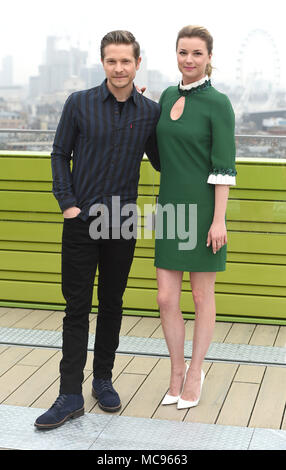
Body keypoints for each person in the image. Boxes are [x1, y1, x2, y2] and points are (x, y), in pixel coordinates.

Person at [34, 30, 160, 429]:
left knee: (111, 305)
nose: (119, 68)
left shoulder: (150, 112)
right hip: (82, 220)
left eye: (126, 61)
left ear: (137, 63)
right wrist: (67, 205)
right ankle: (69, 393)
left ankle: (102, 380)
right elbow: (59, 153)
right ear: (102, 63)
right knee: (76, 309)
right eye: (112, 61)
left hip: (121, 221)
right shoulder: (79, 103)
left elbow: (161, 160)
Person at [155, 25, 236, 409]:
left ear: (209, 58)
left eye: (197, 54)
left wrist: (218, 220)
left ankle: (195, 371)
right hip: (170, 208)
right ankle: (175, 369)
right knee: (166, 298)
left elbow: (224, 167)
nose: (189, 60)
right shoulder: (167, 95)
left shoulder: (218, 103)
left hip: (204, 212)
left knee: (202, 297)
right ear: (176, 54)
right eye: (183, 52)